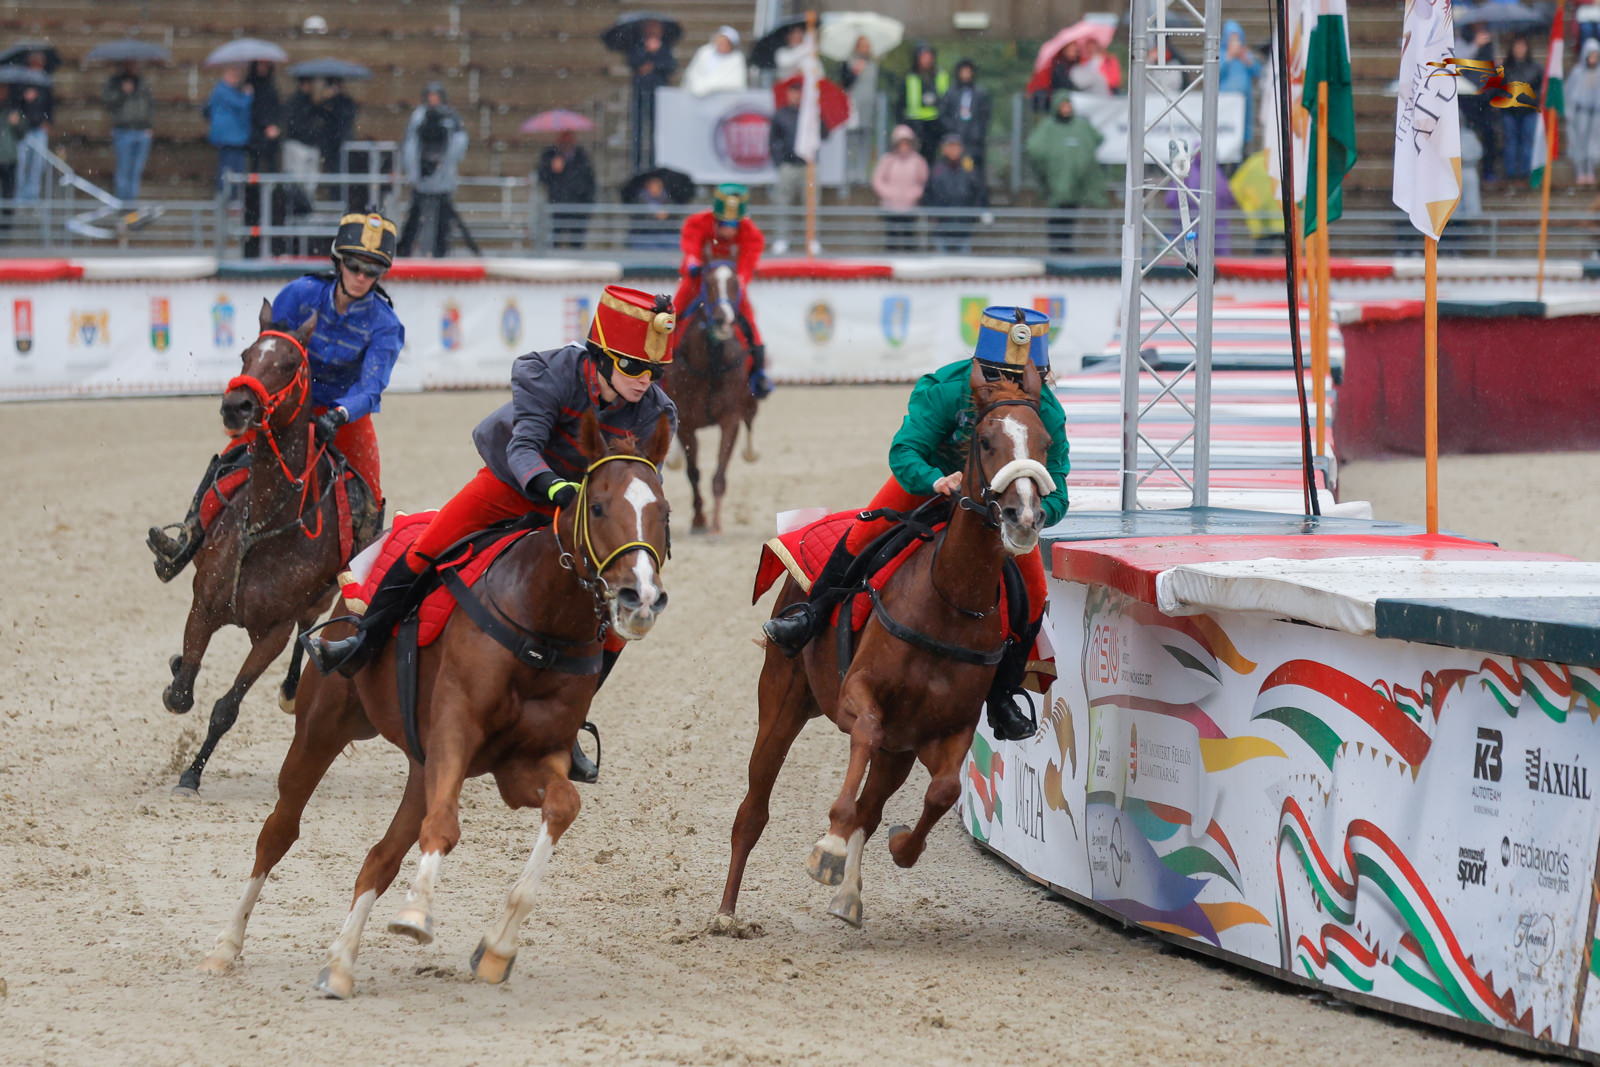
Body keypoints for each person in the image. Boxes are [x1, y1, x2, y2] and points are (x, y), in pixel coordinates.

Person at [301, 284, 679, 782]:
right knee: (426, 546)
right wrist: (554, 487)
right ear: (602, 357)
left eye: (654, 371)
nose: (645, 380)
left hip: (584, 513)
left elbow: (641, 485)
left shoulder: (657, 411)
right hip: (514, 484)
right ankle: (361, 642)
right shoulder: (548, 373)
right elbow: (524, 449)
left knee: (621, 607)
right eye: (633, 367)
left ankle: (570, 720)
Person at [761, 306, 1071, 743]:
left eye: (1021, 379)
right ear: (979, 370)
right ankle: (810, 617)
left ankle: (1003, 694)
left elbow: (1058, 487)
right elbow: (905, 450)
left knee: (1034, 590)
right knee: (862, 534)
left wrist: (1038, 512)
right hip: (931, 485)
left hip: (997, 508)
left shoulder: (1047, 412)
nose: (1007, 388)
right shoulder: (945, 389)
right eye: (997, 376)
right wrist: (935, 480)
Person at [147, 213, 405, 583]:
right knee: (228, 464)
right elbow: (268, 350)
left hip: (343, 414)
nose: (361, 276)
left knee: (369, 495)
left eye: (372, 270)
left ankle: (360, 582)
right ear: (339, 262)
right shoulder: (300, 294)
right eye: (354, 266)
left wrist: (340, 413)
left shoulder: (386, 324)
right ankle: (185, 542)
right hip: (287, 404)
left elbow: (371, 387)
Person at [672, 184, 772, 397]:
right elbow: (690, 248)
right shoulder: (697, 223)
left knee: (749, 323)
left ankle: (757, 373)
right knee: (672, 316)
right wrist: (693, 262)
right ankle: (659, 366)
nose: (729, 229)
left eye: (734, 224)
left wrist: (739, 282)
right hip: (698, 282)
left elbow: (747, 265)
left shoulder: (752, 234)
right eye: (724, 223)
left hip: (730, 287)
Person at [1026, 92, 1105, 256]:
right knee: (1056, 215)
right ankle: (1056, 246)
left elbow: (1095, 139)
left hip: (1076, 183)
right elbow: (1034, 148)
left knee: (1070, 215)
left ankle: (1066, 247)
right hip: (1055, 182)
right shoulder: (1049, 126)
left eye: (1068, 105)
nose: (1066, 109)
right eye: (1063, 105)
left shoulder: (1080, 125)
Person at [399, 82, 469, 257]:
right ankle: (404, 250)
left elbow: (459, 143)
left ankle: (440, 250)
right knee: (415, 216)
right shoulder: (418, 117)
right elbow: (410, 144)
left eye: (436, 97)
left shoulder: (451, 117)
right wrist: (413, 171)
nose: (433, 100)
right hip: (421, 175)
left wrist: (444, 166)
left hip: (443, 176)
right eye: (430, 97)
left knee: (443, 219)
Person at [627, 19, 677, 171]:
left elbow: (670, 66)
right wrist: (647, 53)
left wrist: (655, 60)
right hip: (640, 92)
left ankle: (655, 164)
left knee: (657, 130)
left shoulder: (665, 48)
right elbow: (633, 62)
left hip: (658, 94)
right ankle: (637, 165)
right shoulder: (638, 46)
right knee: (638, 130)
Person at [922, 133, 984, 254]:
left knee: (963, 261)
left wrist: (974, 215)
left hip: (964, 226)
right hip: (941, 227)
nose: (953, 150)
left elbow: (978, 192)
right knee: (942, 261)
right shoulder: (936, 170)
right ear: (943, 149)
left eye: (956, 146)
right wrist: (932, 215)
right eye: (950, 146)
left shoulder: (969, 169)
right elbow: (928, 194)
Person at [873, 124, 928, 252]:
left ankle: (910, 259)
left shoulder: (918, 161)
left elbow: (923, 181)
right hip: (891, 206)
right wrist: (889, 193)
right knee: (892, 236)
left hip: (910, 207)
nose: (904, 146)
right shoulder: (888, 160)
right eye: (901, 142)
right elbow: (877, 179)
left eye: (906, 142)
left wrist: (914, 194)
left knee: (909, 236)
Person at [537, 129, 596, 250]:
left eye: (569, 139)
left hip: (578, 204)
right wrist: (552, 167)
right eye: (564, 140)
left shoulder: (581, 156)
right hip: (557, 203)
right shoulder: (550, 155)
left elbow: (589, 180)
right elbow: (542, 177)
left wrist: (588, 202)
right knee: (555, 237)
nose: (567, 143)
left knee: (577, 239)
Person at [103, 62, 153, 203]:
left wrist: (149, 125)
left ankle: (131, 203)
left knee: (136, 170)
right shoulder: (115, 82)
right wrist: (122, 93)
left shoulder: (142, 82)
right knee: (123, 169)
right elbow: (108, 103)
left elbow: (150, 105)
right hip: (123, 130)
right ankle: (122, 203)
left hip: (142, 131)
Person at [1460, 25, 1502, 185]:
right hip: (1466, 100)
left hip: (1485, 101)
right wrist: (1475, 46)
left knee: (1489, 136)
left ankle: (1488, 171)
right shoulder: (1463, 42)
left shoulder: (1490, 46)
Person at [767, 80, 804, 253]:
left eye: (799, 92)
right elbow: (773, 140)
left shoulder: (811, 114)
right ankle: (781, 239)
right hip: (788, 164)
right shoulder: (781, 114)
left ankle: (811, 239)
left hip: (808, 165)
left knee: (811, 204)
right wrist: (779, 161)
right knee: (782, 202)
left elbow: (824, 134)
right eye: (793, 92)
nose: (796, 96)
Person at [939, 59, 992, 179]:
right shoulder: (951, 93)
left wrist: (977, 133)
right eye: (963, 71)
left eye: (968, 71)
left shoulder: (980, 93)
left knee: (972, 170)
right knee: (955, 170)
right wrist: (952, 130)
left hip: (974, 143)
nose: (966, 75)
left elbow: (985, 116)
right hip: (955, 139)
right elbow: (943, 114)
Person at [12, 51, 53, 202]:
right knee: (21, 163)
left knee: (38, 164)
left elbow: (50, 104)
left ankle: (32, 195)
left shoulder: (46, 82)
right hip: (23, 128)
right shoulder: (19, 81)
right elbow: (15, 103)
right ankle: (19, 195)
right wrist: (24, 96)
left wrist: (48, 121)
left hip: (39, 127)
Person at [205, 66, 252, 194]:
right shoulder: (223, 91)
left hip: (230, 136)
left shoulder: (221, 91)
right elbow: (240, 104)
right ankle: (228, 196)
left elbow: (207, 110)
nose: (236, 80)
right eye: (234, 76)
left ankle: (228, 194)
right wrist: (247, 95)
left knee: (229, 167)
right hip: (231, 137)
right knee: (231, 169)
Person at [838, 35, 879, 183]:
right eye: (862, 45)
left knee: (865, 140)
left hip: (868, 108)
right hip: (853, 107)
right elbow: (845, 83)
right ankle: (850, 172)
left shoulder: (873, 64)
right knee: (852, 140)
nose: (865, 48)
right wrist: (855, 72)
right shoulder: (848, 62)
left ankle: (862, 173)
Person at [1501, 34, 1542, 181]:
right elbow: (1498, 88)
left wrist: (1531, 99)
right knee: (1510, 142)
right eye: (1517, 46)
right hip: (1509, 111)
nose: (1519, 49)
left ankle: (1526, 172)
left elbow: (1541, 88)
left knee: (1527, 141)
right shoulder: (1505, 68)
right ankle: (1511, 172)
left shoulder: (1536, 68)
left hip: (1529, 110)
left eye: (1522, 46)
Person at [1219, 21, 1261, 155]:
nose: (1235, 42)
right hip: (1226, 102)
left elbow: (1258, 72)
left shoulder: (1246, 54)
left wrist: (1247, 60)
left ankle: (1243, 154)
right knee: (1228, 130)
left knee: (1243, 129)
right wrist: (1229, 57)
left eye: (1237, 38)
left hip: (1244, 101)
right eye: (1232, 39)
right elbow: (1215, 74)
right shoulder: (1220, 54)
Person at [901, 44, 947, 162]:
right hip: (915, 124)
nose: (926, 60)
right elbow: (901, 103)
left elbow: (946, 100)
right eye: (923, 57)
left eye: (928, 57)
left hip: (935, 125)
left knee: (933, 158)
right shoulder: (910, 77)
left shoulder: (940, 75)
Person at [282, 76, 324, 205]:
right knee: (297, 180)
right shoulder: (295, 102)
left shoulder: (310, 102)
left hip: (309, 145)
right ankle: (297, 207)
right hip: (298, 145)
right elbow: (295, 125)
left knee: (310, 181)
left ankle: (306, 206)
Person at [1569, 39, 1600, 187]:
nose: (1593, 59)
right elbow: (1570, 92)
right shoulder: (1578, 72)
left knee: (1593, 142)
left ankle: (1590, 169)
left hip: (1596, 113)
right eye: (1591, 55)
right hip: (1581, 113)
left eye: (1596, 55)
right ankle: (1580, 170)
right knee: (1580, 140)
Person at [684, 26, 748, 97]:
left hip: (724, 98)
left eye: (725, 42)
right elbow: (692, 73)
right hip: (697, 97)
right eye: (719, 40)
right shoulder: (704, 52)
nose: (721, 44)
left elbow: (736, 83)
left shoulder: (737, 58)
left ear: (731, 45)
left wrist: (709, 87)